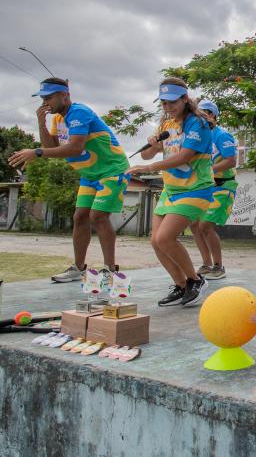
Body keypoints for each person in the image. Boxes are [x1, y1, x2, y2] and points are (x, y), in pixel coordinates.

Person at [8, 78, 130, 295]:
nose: (46, 102)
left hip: (112, 170)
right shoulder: (57, 119)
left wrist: (36, 152)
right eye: (43, 98)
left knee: (98, 216)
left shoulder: (79, 112)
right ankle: (78, 268)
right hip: (89, 174)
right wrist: (41, 122)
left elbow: (75, 147)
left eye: (50, 97)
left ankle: (110, 271)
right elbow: (51, 149)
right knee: (79, 217)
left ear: (65, 95)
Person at [127, 78, 213, 307]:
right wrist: (154, 145)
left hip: (196, 189)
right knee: (156, 241)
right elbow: (147, 155)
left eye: (172, 102)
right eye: (164, 103)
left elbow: (184, 157)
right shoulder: (166, 126)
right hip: (171, 190)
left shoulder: (198, 124)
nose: (168, 107)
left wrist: (148, 168)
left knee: (166, 237)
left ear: (185, 99)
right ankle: (181, 285)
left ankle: (196, 280)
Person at [189, 100, 236, 281]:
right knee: (193, 225)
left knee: (205, 225)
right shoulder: (198, 135)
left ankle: (218, 266)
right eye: (199, 113)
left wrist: (208, 171)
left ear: (214, 116)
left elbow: (231, 161)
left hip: (223, 185)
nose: (202, 116)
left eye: (206, 112)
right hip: (204, 186)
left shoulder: (222, 135)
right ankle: (206, 264)